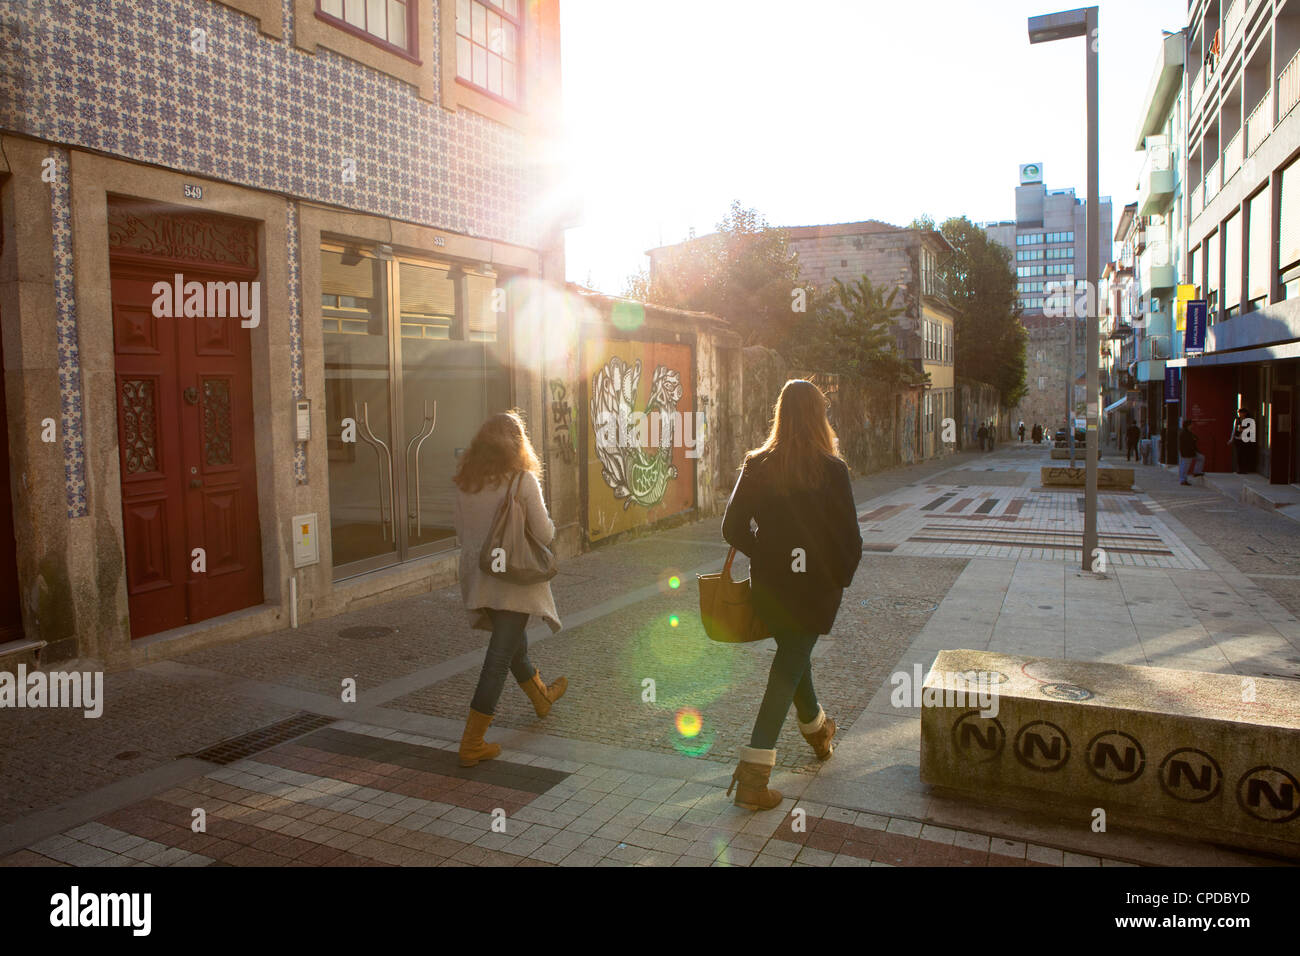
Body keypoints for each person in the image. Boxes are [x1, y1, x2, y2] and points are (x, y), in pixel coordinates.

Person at [721, 380, 862, 811]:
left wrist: (768, 553)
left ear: (780, 412)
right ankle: (753, 777)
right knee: (787, 668)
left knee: (792, 656)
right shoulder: (832, 470)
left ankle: (819, 731)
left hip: (771, 587)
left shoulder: (758, 464)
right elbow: (849, 540)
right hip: (813, 590)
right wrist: (836, 578)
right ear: (818, 416)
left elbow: (732, 527)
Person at [452, 411, 567, 768]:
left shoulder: (464, 483)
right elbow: (545, 534)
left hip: (479, 578)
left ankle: (542, 697)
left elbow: (462, 535)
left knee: (512, 645)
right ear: (518, 446)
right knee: (499, 657)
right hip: (513, 580)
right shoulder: (523, 482)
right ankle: (472, 743)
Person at [1178, 418, 1205, 485]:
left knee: (1201, 457)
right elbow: (1186, 444)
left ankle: (1197, 472)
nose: (1192, 426)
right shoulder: (1184, 433)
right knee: (1185, 466)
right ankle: (1183, 480)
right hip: (1187, 453)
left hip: (1192, 451)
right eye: (1191, 424)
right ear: (1188, 425)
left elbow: (1195, 438)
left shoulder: (1189, 432)